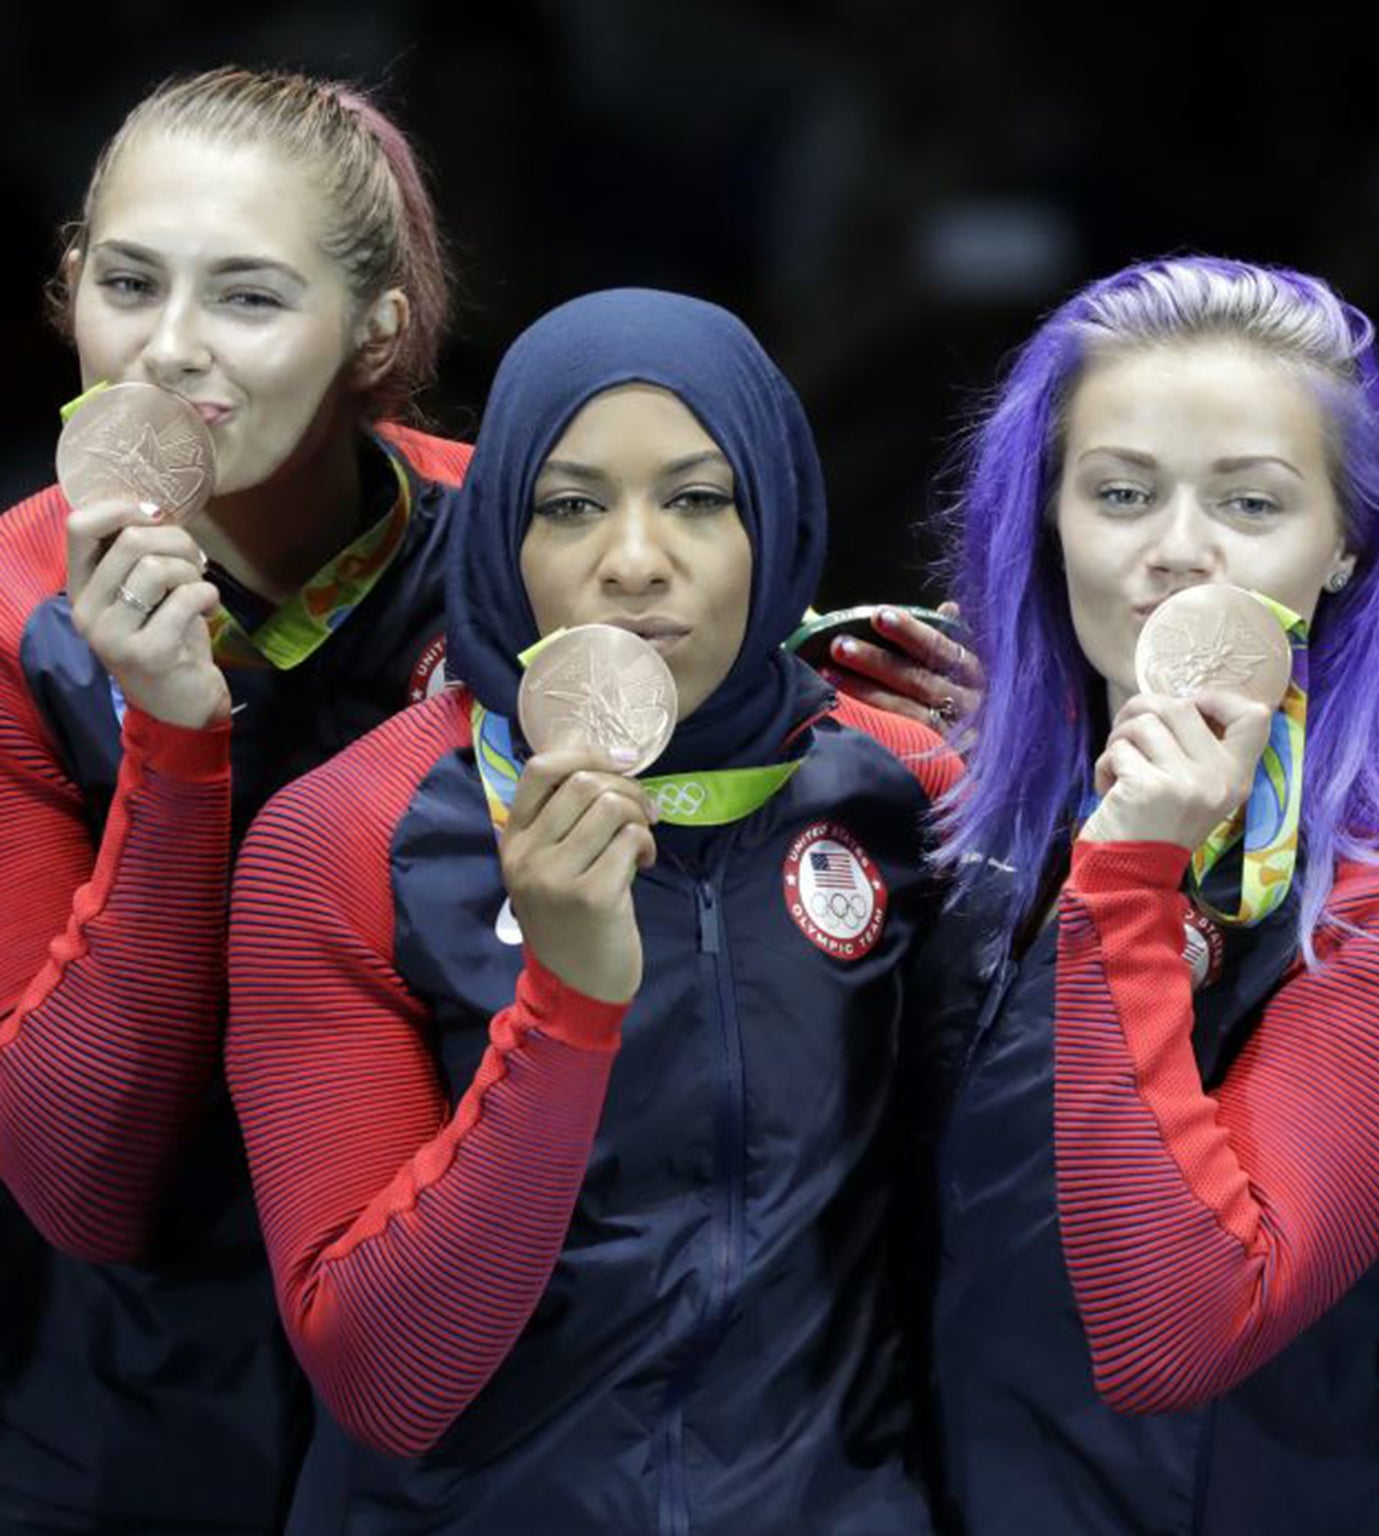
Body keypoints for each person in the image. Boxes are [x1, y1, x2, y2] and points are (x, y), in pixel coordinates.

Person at [226, 288, 952, 1534]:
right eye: (569, 506)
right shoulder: (344, 836)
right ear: (503, 536)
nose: (632, 558)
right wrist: (565, 1006)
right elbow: (381, 1378)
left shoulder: (909, 791)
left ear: (775, 522)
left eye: (697, 499)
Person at [904, 255, 1379, 1534]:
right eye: (1120, 493)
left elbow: (1171, 1335)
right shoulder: (971, 828)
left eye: (1249, 504)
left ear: (1348, 541)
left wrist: (1130, 881)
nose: (1177, 554)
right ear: (1046, 518)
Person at [0, 67, 461, 1531]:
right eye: (128, 283)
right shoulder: (9, 613)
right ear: (72, 287)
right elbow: (81, 1181)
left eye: (250, 299)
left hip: (476, 1398)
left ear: (376, 330)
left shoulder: (528, 540)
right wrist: (173, 743)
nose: (169, 351)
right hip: (131, 1418)